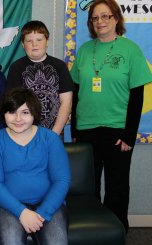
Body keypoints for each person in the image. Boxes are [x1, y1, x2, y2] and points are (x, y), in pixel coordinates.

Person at [70, 0, 152, 232]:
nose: (100, 22)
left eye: (105, 16)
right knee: (88, 186)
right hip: (86, 129)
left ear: (116, 18)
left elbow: (137, 97)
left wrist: (129, 135)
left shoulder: (131, 50)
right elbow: (76, 93)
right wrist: (75, 130)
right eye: (95, 18)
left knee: (117, 187)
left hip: (118, 131)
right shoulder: (85, 50)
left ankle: (115, 231)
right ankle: (90, 231)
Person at [0, 88, 71, 245]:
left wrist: (42, 213)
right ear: (4, 114)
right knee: (11, 241)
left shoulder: (50, 138)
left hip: (47, 202)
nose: (18, 119)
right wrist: (21, 212)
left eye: (25, 112)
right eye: (12, 112)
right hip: (6, 205)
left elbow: (62, 180)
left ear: (34, 114)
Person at [6, 20, 74, 136]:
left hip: (55, 132)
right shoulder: (16, 68)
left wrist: (54, 135)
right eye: (29, 41)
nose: (34, 44)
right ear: (23, 44)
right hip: (24, 133)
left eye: (39, 40)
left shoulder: (60, 66)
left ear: (47, 41)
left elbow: (66, 103)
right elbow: (14, 105)